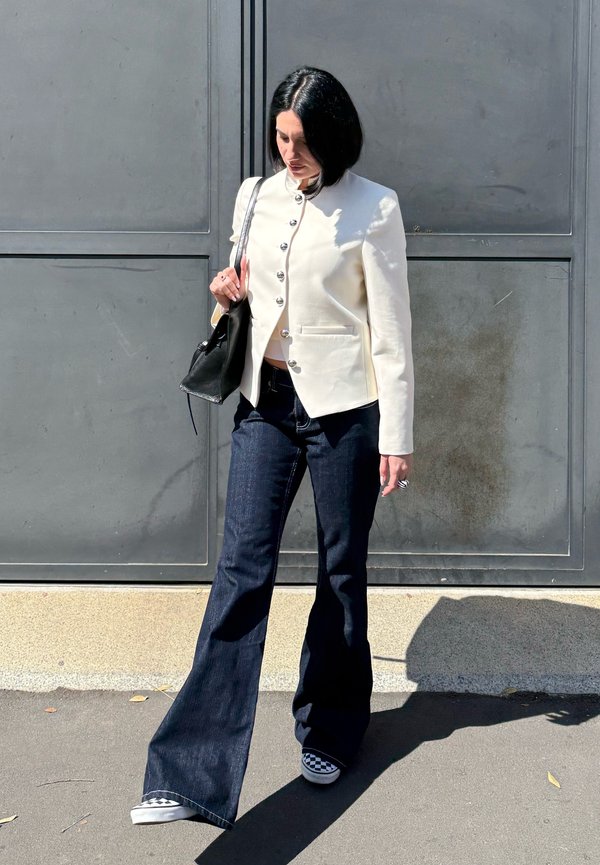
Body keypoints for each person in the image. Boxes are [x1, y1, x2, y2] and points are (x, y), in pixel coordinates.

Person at [130, 65, 414, 831]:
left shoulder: (373, 207)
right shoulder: (255, 196)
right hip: (268, 402)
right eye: (282, 138)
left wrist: (398, 433)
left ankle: (331, 728)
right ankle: (186, 773)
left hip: (345, 414)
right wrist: (225, 293)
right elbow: (244, 292)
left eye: (304, 141)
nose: (290, 153)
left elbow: (391, 332)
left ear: (335, 136)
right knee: (241, 571)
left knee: (339, 569)